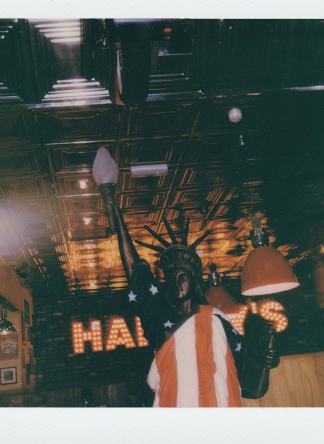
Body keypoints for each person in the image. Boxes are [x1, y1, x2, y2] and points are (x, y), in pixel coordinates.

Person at [92, 147, 279, 407]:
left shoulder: (217, 320)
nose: (178, 282)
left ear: (196, 281)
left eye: (184, 276)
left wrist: (265, 360)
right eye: (172, 277)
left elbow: (251, 384)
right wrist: (113, 205)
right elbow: (134, 269)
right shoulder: (160, 315)